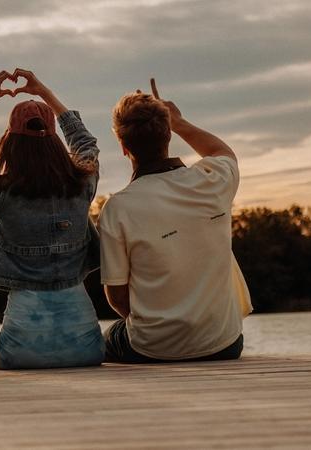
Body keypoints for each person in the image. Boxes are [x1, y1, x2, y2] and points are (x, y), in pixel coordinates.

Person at [0, 69, 104, 370]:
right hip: (88, 351)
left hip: (18, 355)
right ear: (54, 140)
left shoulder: (0, 193)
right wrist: (46, 94)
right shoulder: (83, 185)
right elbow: (84, 142)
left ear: (10, 143)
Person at [97, 79, 253, 363]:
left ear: (123, 147)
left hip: (153, 348)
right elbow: (222, 152)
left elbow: (117, 298)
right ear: (167, 136)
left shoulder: (118, 208)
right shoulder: (211, 180)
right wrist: (179, 122)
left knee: (98, 341)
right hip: (225, 343)